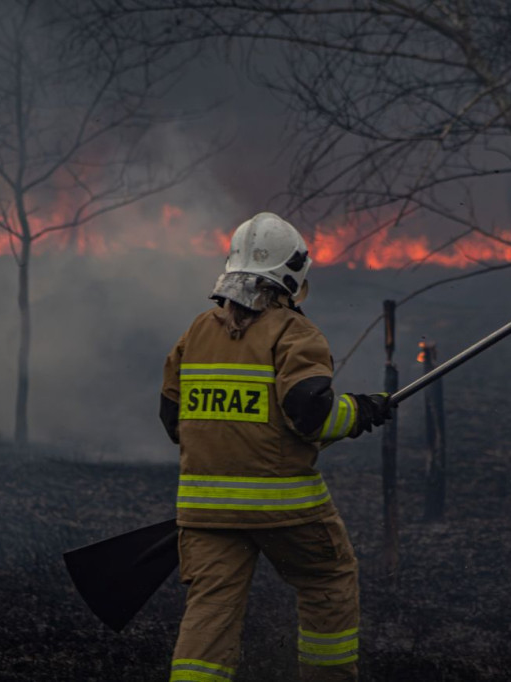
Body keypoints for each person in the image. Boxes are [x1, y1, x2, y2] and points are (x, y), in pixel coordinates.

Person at [159, 212, 392, 682]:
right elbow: (309, 413)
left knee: (210, 610)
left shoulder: (197, 332)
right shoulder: (293, 332)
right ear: (294, 275)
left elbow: (172, 419)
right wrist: (360, 412)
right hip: (285, 509)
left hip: (205, 513)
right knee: (328, 577)